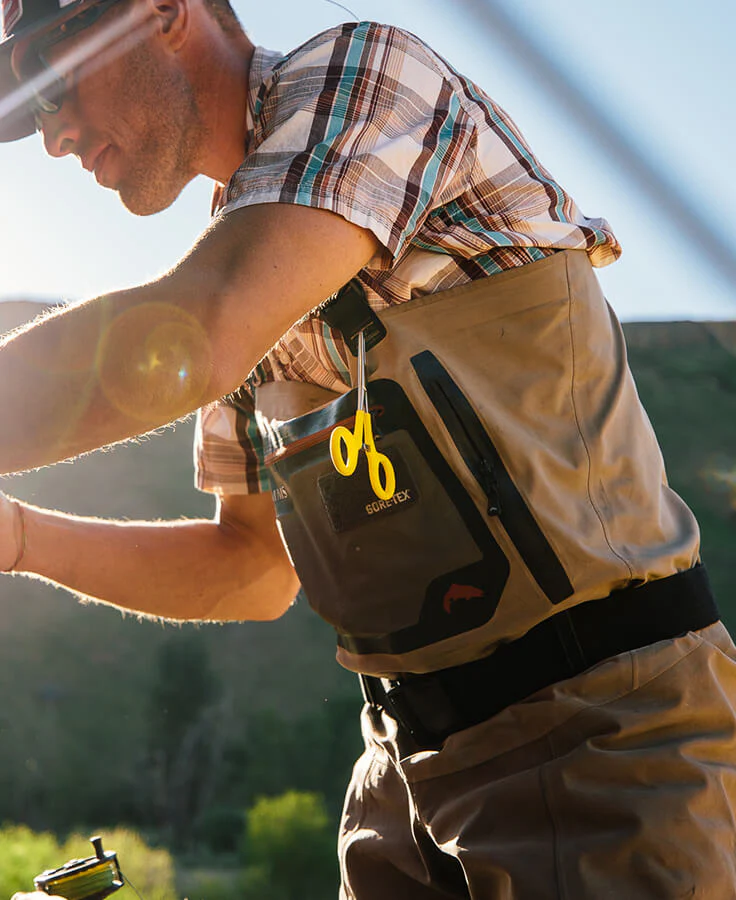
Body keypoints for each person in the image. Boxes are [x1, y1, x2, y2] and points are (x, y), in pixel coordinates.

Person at [1, 0, 735, 897]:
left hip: (609, 738)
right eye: (32, 109)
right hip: (398, 782)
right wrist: (23, 542)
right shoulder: (241, 263)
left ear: (161, 12)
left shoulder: (370, 74)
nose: (54, 136)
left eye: (52, 71)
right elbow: (252, 568)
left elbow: (202, 332)